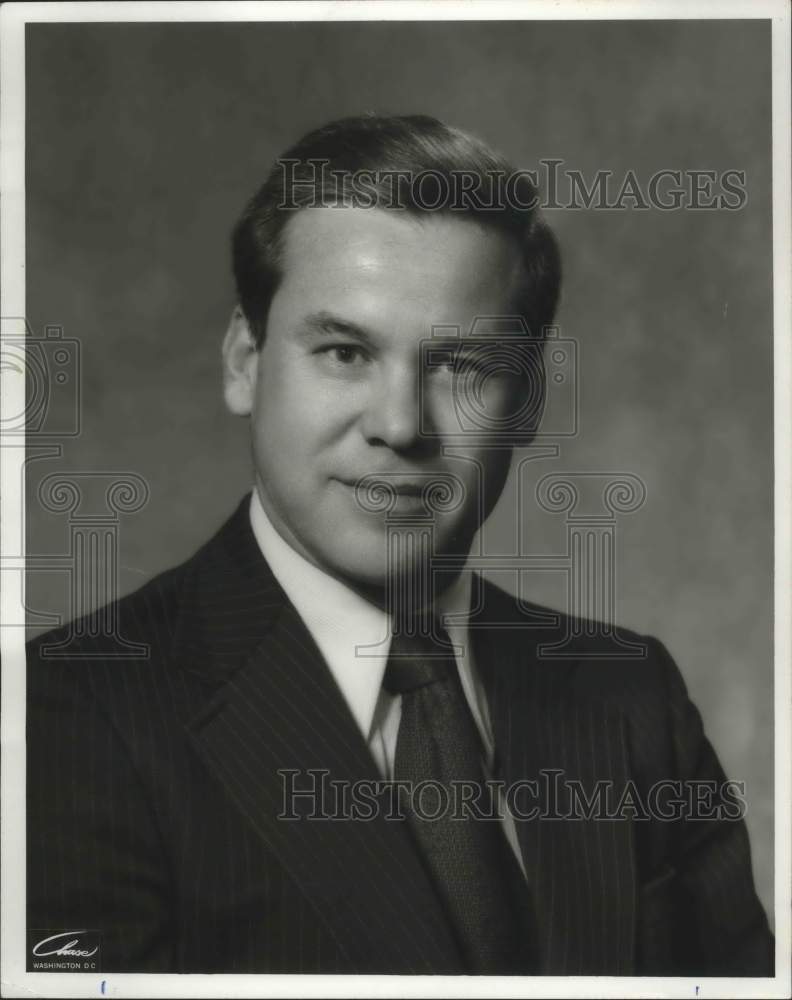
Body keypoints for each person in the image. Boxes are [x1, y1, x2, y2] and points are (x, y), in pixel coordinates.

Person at [26, 114, 773, 976]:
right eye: (345, 352)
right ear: (244, 361)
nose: (400, 425)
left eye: (464, 367)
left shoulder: (631, 700)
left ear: (527, 403)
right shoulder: (68, 719)